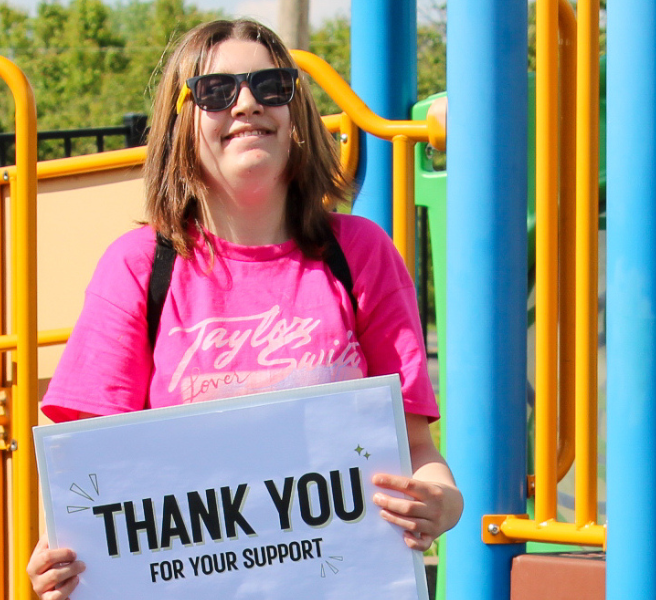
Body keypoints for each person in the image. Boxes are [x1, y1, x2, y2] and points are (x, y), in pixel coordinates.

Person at [27, 18, 463, 600]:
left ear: (296, 113)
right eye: (216, 92)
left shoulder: (360, 253)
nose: (248, 105)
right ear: (182, 122)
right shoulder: (137, 266)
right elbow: (87, 480)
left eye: (271, 86)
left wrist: (442, 503)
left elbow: (418, 453)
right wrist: (59, 559)